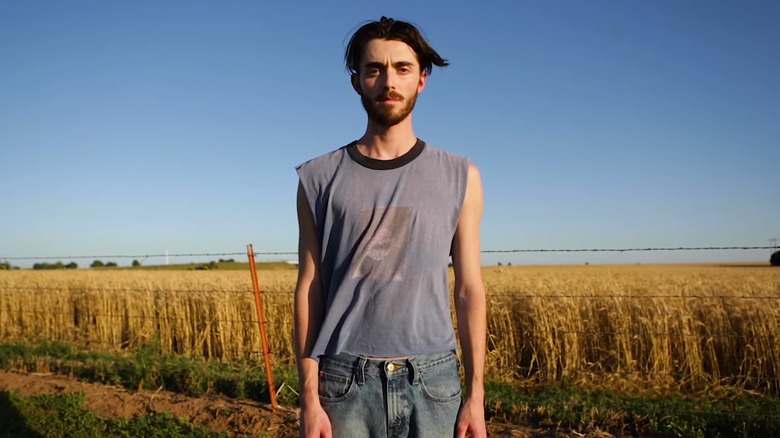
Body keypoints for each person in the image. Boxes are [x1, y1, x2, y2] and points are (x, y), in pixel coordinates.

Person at [294, 16, 487, 438]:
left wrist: (475, 394)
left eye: (402, 67)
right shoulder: (317, 178)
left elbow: (469, 289)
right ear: (357, 81)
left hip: (433, 382)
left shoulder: (461, 175)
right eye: (374, 69)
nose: (388, 81)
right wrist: (309, 397)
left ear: (422, 80)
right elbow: (310, 286)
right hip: (343, 383)